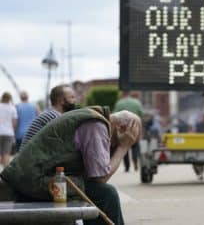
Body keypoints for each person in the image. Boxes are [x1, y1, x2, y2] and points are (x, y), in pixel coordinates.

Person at [0, 106, 142, 225]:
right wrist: (124, 147)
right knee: (106, 194)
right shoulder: (96, 126)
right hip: (33, 179)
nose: (115, 145)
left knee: (97, 191)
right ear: (122, 128)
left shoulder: (93, 119)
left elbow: (91, 173)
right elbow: (100, 178)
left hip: (33, 176)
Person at [20, 84, 76, 150]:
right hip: (30, 158)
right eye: (71, 97)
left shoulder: (51, 113)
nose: (74, 100)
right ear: (61, 100)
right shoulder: (53, 116)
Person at [114, 91, 143, 172]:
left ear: (122, 94)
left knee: (124, 145)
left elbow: (114, 115)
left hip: (123, 128)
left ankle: (127, 167)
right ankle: (135, 161)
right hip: (135, 126)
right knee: (135, 146)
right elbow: (141, 113)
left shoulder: (119, 103)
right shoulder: (136, 102)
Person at [0, 92, 18, 167]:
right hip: (9, 133)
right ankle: (4, 174)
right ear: (10, 99)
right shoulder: (12, 108)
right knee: (6, 153)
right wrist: (13, 131)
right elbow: (14, 123)